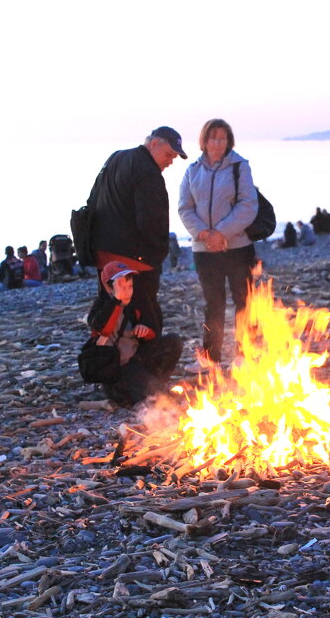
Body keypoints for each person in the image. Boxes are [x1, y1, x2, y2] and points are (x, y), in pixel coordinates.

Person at [87, 127, 187, 334]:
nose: (170, 162)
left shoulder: (115, 158)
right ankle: (141, 363)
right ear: (154, 144)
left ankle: (107, 357)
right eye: (168, 155)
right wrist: (157, 256)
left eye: (174, 157)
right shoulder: (148, 171)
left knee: (110, 309)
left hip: (104, 255)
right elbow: (151, 220)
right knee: (146, 319)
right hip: (134, 260)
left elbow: (93, 201)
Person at [177, 118, 259, 368]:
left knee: (245, 301)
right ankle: (210, 358)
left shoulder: (239, 167)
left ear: (228, 141)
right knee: (213, 304)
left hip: (237, 247)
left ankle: (245, 356)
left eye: (222, 138)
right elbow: (184, 208)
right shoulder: (192, 170)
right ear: (204, 140)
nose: (218, 142)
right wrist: (204, 234)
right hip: (204, 250)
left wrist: (221, 233)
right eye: (213, 137)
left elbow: (248, 205)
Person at [86, 261, 183, 407]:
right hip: (118, 367)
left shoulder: (136, 301)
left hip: (138, 358)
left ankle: (152, 383)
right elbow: (102, 328)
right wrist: (116, 302)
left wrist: (146, 331)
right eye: (121, 287)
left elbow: (153, 331)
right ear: (108, 287)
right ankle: (129, 392)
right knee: (163, 398)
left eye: (129, 286)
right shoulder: (101, 306)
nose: (126, 291)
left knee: (174, 342)